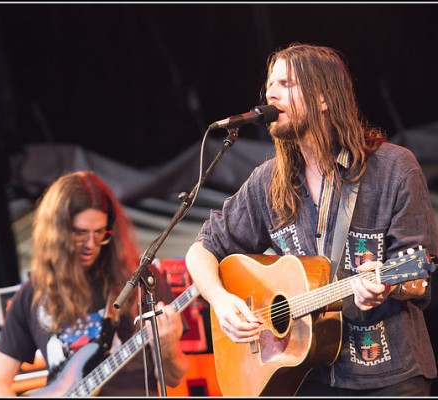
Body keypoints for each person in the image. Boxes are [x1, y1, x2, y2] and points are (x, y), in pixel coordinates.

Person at [185, 43, 438, 396]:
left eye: (286, 84)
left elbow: (419, 275)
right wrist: (221, 300)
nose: (270, 94)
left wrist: (389, 285)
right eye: (270, 84)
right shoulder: (269, 180)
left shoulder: (394, 168)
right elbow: (201, 250)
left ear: (323, 97)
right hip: (306, 378)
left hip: (389, 377)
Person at [0, 171, 189, 396]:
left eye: (100, 233)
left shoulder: (141, 280)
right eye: (80, 233)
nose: (91, 244)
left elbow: (174, 377)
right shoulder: (31, 295)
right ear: (56, 233)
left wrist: (168, 347)